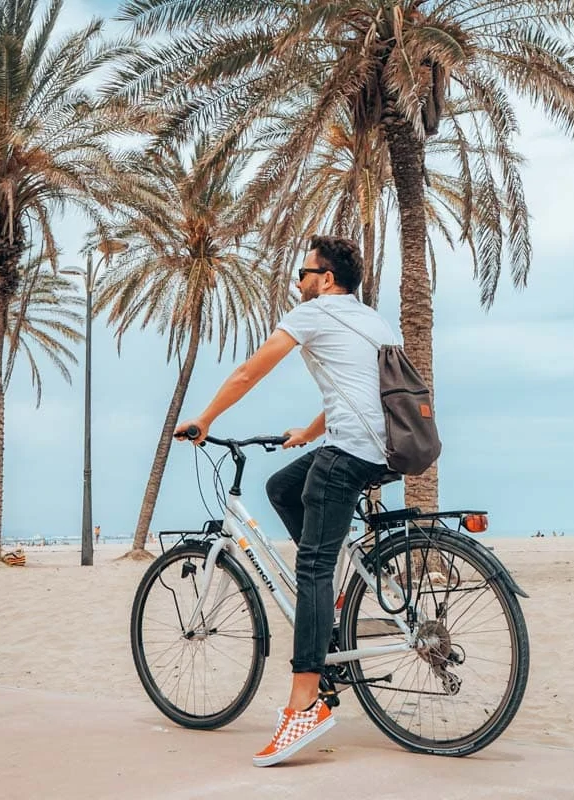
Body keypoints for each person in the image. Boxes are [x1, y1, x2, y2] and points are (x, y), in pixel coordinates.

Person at [175, 235, 394, 767]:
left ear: (325, 280)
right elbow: (364, 389)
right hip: (382, 447)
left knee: (311, 568)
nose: (297, 282)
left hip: (350, 452)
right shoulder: (372, 321)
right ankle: (347, 584)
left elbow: (252, 369)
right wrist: (311, 429)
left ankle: (305, 704)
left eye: (304, 272)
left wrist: (206, 418)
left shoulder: (317, 313)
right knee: (281, 488)